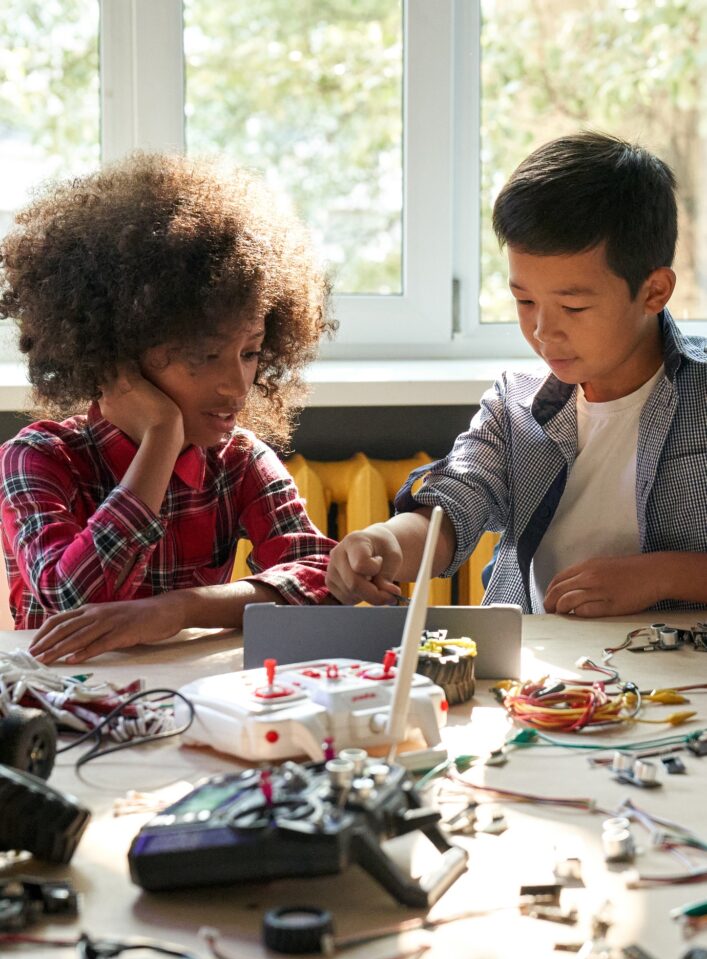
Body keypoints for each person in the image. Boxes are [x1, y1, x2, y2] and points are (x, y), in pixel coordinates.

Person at [326, 131, 707, 616]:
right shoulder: (515, 406)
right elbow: (458, 499)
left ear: (654, 291)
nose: (543, 331)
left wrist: (661, 576)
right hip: (545, 678)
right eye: (524, 301)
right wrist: (386, 542)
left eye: (573, 306)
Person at [0, 152, 337, 662]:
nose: (235, 385)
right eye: (204, 355)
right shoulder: (37, 458)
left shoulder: (240, 461)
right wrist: (162, 436)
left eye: (249, 353)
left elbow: (320, 579)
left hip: (193, 703)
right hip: (66, 710)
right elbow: (70, 600)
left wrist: (181, 609)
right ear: (120, 354)